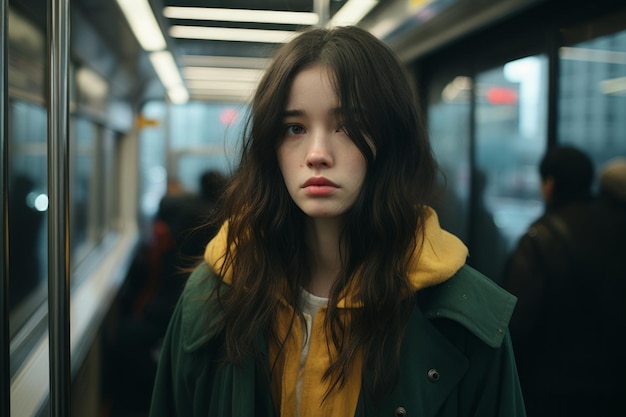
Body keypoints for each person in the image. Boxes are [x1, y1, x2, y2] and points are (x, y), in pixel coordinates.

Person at [150, 26, 525, 417]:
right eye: (295, 128)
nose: (317, 154)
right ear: (269, 147)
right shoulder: (213, 295)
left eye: (346, 126)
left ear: (391, 139)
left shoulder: (463, 317)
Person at [503, 147, 626, 416]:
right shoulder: (618, 228)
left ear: (549, 184)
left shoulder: (541, 238)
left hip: (551, 388)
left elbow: (519, 321)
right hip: (614, 385)